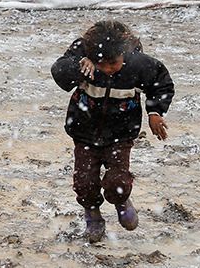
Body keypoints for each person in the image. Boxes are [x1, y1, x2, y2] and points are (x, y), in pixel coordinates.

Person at [50, 20, 174, 243]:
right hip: (84, 131)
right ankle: (93, 216)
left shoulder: (137, 64)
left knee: (118, 182)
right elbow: (59, 72)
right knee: (84, 182)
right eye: (102, 65)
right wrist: (79, 65)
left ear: (122, 55)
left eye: (113, 64)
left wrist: (155, 112)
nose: (108, 69)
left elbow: (161, 83)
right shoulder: (83, 59)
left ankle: (121, 201)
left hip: (121, 133)